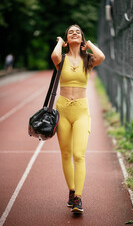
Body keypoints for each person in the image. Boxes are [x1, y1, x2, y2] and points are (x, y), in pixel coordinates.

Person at [51, 24, 105, 213]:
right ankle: (72, 191)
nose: (74, 33)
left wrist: (89, 44)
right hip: (63, 110)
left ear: (81, 39)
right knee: (66, 154)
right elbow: (54, 57)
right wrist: (59, 42)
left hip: (81, 110)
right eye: (70, 32)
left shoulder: (88, 60)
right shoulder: (62, 58)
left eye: (78, 32)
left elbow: (101, 57)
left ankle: (78, 199)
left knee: (78, 155)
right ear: (67, 39)